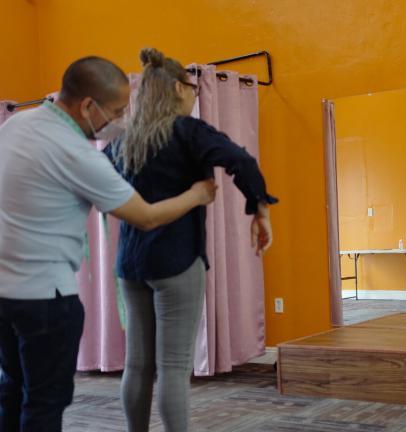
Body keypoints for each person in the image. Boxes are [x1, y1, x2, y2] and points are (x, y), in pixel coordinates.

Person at [0, 56, 217, 431]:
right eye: (116, 111)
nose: (117, 120)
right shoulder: (79, 155)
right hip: (46, 300)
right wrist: (198, 194)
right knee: (44, 404)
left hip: (3, 294)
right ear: (88, 105)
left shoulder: (17, 123)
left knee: (12, 389)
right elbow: (145, 216)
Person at [104, 48, 277, 432]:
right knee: (173, 367)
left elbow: (101, 194)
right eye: (193, 87)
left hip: (131, 266)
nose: (196, 93)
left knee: (137, 364)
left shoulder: (121, 143)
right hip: (177, 263)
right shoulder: (187, 131)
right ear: (179, 89)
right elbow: (242, 162)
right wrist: (260, 210)